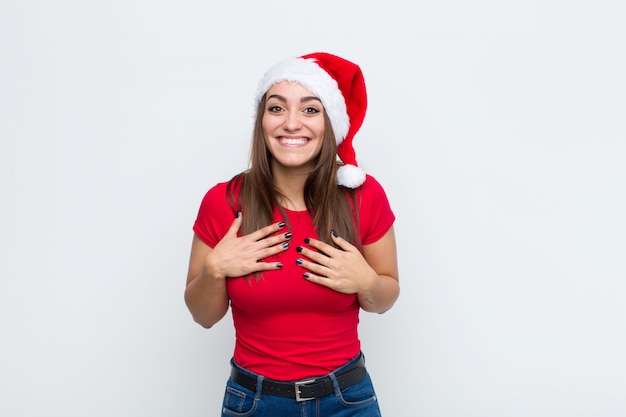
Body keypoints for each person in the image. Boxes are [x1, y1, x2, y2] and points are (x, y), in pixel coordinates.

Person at [185, 52, 399, 416]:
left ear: (330, 122)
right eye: (277, 108)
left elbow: (385, 298)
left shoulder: (364, 196)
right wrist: (214, 270)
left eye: (311, 110)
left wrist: (366, 281)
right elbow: (203, 316)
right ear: (262, 121)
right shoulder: (223, 202)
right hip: (254, 402)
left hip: (347, 400)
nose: (292, 123)